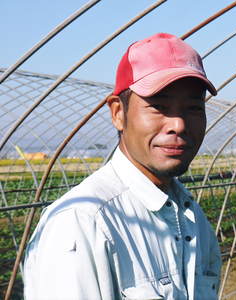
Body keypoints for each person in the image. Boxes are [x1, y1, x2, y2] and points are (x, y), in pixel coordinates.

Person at [23, 33, 221, 300]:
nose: (179, 125)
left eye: (194, 109)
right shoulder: (82, 224)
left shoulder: (191, 216)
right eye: (159, 107)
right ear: (118, 112)